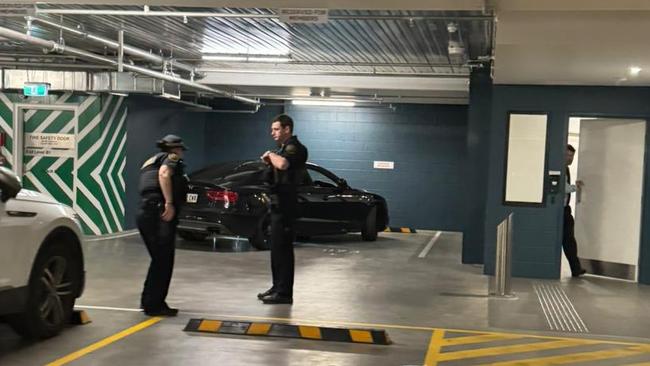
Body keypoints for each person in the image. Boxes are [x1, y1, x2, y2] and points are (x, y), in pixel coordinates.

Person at [257, 114, 308, 304]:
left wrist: (270, 155)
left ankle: (284, 293)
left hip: (287, 205)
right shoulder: (283, 149)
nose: (273, 133)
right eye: (272, 129)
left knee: (284, 249)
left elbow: (284, 164)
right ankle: (277, 286)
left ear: (287, 129)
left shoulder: (295, 148)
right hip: (278, 204)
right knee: (276, 249)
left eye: (276, 129)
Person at [137, 134, 189, 316]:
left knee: (158, 260)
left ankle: (148, 301)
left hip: (145, 211)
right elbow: (164, 174)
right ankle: (155, 305)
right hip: (160, 214)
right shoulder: (170, 159)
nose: (182, 153)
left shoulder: (150, 160)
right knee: (164, 261)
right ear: (175, 149)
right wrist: (169, 202)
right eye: (181, 150)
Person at [564, 144, 586, 277]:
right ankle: (576, 268)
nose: (570, 158)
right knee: (569, 240)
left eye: (572, 155)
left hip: (565, 210)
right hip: (560, 211)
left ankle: (576, 269)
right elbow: (563, 188)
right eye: (567, 155)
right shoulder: (560, 168)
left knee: (569, 241)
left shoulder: (565, 168)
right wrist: (576, 187)